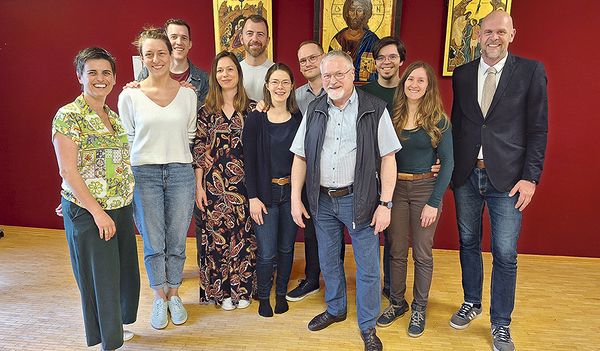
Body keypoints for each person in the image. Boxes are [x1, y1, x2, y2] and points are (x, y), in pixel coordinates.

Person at [449, 11, 548, 351]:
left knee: (505, 254)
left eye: (501, 32)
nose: (494, 37)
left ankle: (500, 323)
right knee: (467, 243)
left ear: (512, 35)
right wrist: (446, 167)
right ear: (477, 34)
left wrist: (530, 178)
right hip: (465, 175)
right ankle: (472, 302)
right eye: (488, 31)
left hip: (508, 180)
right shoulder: (461, 74)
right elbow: (457, 124)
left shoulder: (531, 71)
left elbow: (538, 129)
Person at [290, 50, 401, 351]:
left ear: (353, 74)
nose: (333, 80)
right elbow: (300, 155)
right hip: (322, 200)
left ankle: (368, 325)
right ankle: (336, 309)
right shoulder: (314, 109)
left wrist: (386, 203)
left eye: (340, 73)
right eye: (327, 75)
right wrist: (294, 200)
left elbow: (389, 158)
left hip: (360, 199)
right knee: (328, 260)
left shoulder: (375, 109)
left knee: (367, 266)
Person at [52, 47, 140, 351]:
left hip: (119, 207)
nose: (100, 78)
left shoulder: (113, 118)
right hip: (93, 213)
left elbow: (106, 165)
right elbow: (68, 168)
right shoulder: (69, 116)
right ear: (80, 76)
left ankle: (116, 328)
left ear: (114, 78)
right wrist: (94, 210)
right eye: (92, 72)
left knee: (122, 275)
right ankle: (109, 342)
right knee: (101, 280)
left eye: (106, 73)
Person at [118, 28, 197, 330]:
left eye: (161, 52)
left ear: (172, 53)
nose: (156, 59)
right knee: (153, 242)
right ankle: (158, 296)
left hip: (180, 172)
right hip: (144, 174)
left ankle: (174, 294)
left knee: (176, 240)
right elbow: (128, 138)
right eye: (148, 54)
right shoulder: (130, 95)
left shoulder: (188, 94)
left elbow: (190, 135)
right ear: (141, 58)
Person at [375, 61, 454, 338]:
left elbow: (448, 163)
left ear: (429, 86)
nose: (414, 85)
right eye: (410, 79)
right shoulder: (391, 115)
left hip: (425, 190)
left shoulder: (438, 119)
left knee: (422, 252)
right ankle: (397, 302)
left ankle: (419, 307)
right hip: (395, 190)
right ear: (403, 82)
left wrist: (434, 201)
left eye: (421, 80)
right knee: (396, 249)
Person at [193, 50, 257, 311]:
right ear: (214, 75)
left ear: (238, 74)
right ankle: (221, 293)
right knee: (217, 238)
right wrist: (199, 186)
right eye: (220, 70)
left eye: (230, 69)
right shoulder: (206, 110)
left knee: (244, 237)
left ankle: (242, 290)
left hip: (245, 185)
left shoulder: (253, 109)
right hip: (214, 186)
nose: (225, 74)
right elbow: (199, 149)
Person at [243, 63, 301, 317]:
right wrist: (253, 197)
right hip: (265, 196)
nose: (280, 87)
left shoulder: (299, 119)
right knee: (266, 253)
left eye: (285, 82)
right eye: (275, 82)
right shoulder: (256, 119)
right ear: (267, 86)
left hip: (290, 194)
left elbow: (304, 159)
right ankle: (264, 296)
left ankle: (281, 293)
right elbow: (249, 161)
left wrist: (299, 197)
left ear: (291, 86)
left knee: (287, 248)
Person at [358, 35, 406, 300]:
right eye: (381, 58)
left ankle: (392, 287)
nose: (386, 62)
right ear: (374, 63)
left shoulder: (410, 89)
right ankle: (373, 284)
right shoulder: (365, 93)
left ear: (401, 60)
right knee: (373, 231)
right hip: (373, 174)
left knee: (396, 239)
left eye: (392, 57)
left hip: (406, 171)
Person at [283, 40, 326, 302]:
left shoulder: (340, 90)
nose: (308, 64)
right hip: (308, 173)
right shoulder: (296, 96)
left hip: (337, 174)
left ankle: (333, 280)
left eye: (313, 58)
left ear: (323, 58)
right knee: (310, 230)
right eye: (303, 61)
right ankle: (312, 279)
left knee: (332, 230)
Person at [137, 18, 210, 108]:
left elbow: (206, 116)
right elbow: (139, 108)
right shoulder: (147, 72)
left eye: (184, 38)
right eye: (174, 37)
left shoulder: (204, 78)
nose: (179, 42)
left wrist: (190, 97)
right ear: (166, 42)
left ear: (190, 44)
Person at [329, 0, 379, 82]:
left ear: (365, 14)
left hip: (367, 89)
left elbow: (381, 70)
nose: (355, 15)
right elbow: (330, 68)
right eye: (352, 10)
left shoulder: (373, 40)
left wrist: (369, 75)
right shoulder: (338, 40)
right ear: (347, 13)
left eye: (359, 10)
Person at [240, 14, 274, 101]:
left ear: (267, 41)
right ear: (241, 38)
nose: (254, 39)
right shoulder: (234, 72)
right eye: (249, 34)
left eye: (260, 34)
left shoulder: (276, 72)